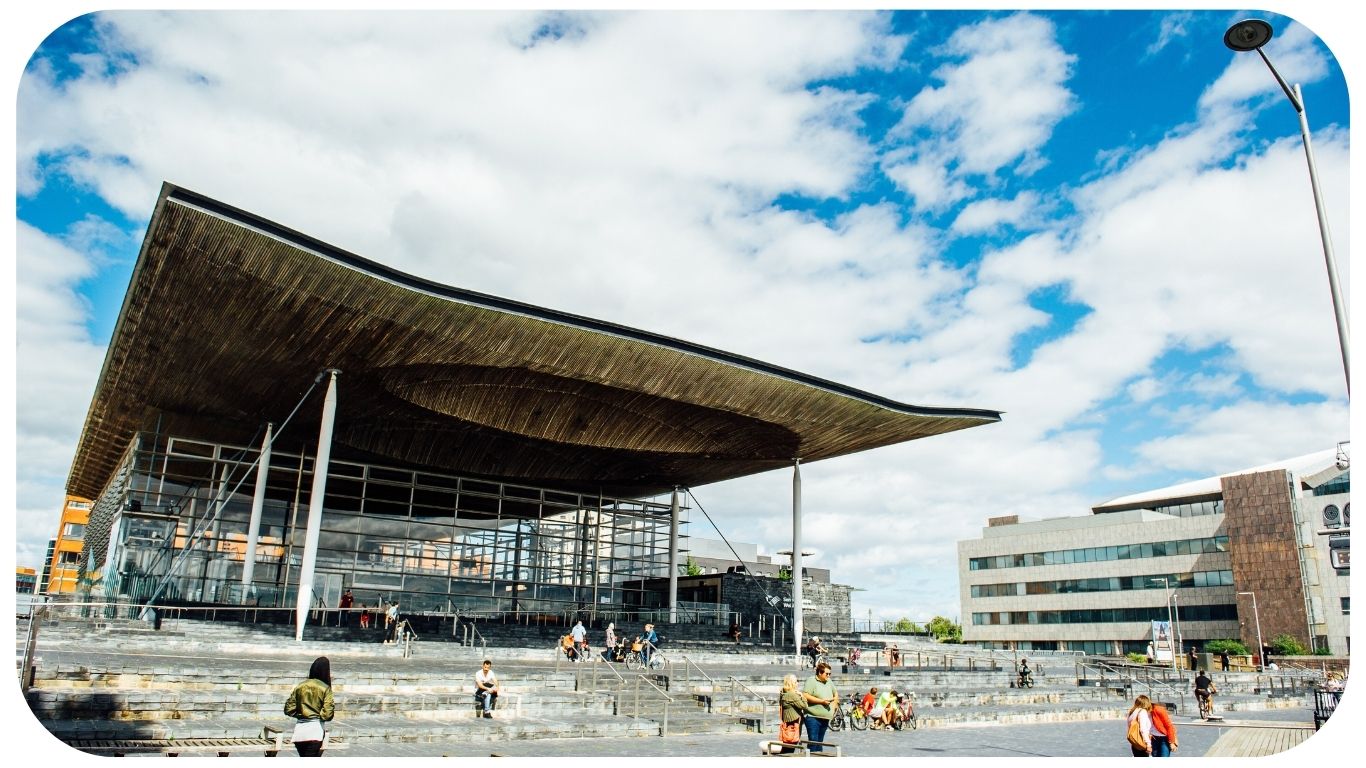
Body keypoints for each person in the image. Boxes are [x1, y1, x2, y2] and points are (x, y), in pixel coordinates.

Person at [284, 656, 335, 757]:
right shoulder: (325, 688)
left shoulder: (300, 686)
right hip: (315, 731)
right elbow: (327, 715)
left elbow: (288, 709)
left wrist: (302, 714)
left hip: (299, 732)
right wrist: (316, 716)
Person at [800, 661, 838, 753]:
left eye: (830, 673)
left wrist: (834, 706)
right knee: (813, 740)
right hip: (813, 717)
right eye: (827, 673)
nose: (829, 676)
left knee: (820, 742)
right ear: (820, 673)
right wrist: (821, 701)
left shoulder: (829, 681)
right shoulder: (811, 680)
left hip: (825, 717)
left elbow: (835, 693)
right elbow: (805, 695)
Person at [777, 673, 807, 754]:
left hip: (788, 722)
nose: (798, 683)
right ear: (792, 683)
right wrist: (802, 696)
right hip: (793, 724)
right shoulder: (792, 695)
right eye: (797, 681)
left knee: (786, 747)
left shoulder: (783, 693)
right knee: (790, 748)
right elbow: (804, 705)